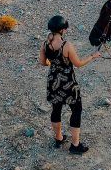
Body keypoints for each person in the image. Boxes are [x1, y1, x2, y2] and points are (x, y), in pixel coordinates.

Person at [38, 15, 101, 155]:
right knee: (76, 110)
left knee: (56, 109)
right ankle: (75, 145)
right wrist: (92, 56)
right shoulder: (66, 45)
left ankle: (59, 138)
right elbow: (78, 64)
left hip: (53, 82)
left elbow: (43, 62)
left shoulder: (44, 44)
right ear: (62, 30)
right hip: (68, 83)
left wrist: (53, 64)